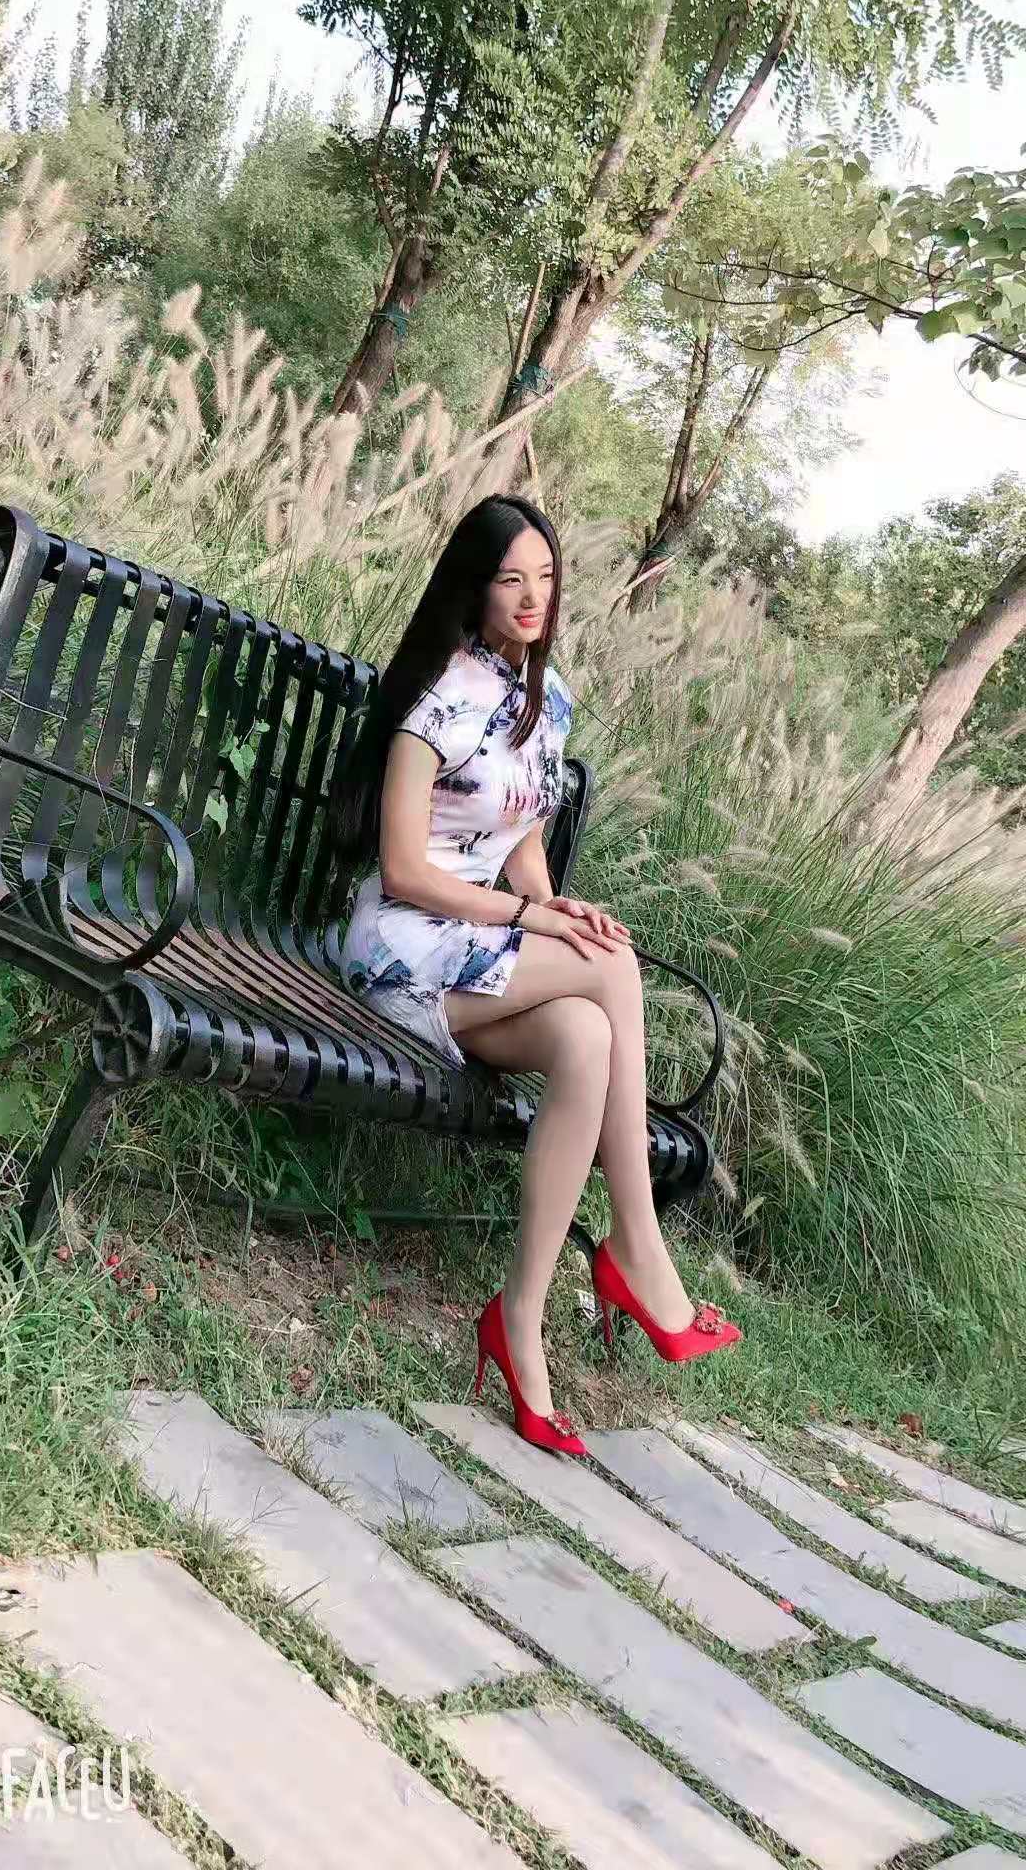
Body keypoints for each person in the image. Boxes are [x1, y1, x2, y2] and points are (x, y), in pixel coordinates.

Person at [331, 494, 740, 1456]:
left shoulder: (545, 702)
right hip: (404, 947)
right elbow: (404, 870)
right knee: (614, 966)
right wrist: (532, 921)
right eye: (511, 579)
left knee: (588, 1033)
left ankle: (519, 1323)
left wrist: (556, 905)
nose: (532, 597)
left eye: (546, 578)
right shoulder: (435, 700)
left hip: (478, 949)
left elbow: (518, 842)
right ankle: (637, 1247)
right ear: (474, 590)